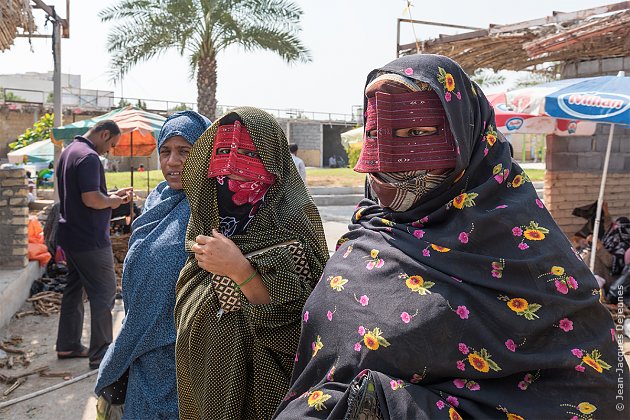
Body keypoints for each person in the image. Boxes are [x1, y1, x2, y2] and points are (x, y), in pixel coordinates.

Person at [274, 55, 628, 419]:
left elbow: (593, 390)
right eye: (377, 134)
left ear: (465, 133)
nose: (394, 156)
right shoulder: (366, 233)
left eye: (416, 133)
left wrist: (387, 404)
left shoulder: (527, 252)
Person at [174, 107, 329, 420]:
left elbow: (304, 327)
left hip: (267, 395)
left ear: (272, 159)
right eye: (222, 153)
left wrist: (239, 270)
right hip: (208, 388)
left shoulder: (292, 221)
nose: (231, 169)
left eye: (247, 153)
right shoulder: (207, 222)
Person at [94, 111, 210, 419]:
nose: (172, 161)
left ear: (205, 152)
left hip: (179, 359)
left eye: (185, 151)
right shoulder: (159, 198)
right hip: (141, 355)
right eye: (165, 151)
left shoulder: (210, 208)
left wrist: (117, 355)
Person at [55, 120, 132, 370]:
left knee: (74, 290)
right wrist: (113, 202)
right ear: (105, 133)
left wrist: (111, 197)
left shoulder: (69, 152)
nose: (110, 150)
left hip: (71, 235)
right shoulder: (89, 157)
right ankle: (101, 355)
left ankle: (68, 344)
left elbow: (85, 195)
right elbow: (91, 199)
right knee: (103, 293)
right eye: (111, 144)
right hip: (90, 239)